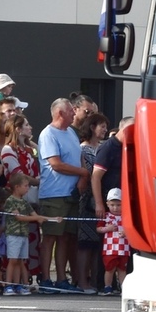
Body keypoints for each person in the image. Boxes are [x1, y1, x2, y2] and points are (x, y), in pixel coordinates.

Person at [37, 98, 90, 294]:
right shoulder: (48, 134)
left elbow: (80, 156)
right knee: (50, 237)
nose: (74, 114)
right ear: (60, 113)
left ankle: (61, 278)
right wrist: (83, 173)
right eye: (70, 111)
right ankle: (45, 279)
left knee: (66, 237)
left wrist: (83, 174)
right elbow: (56, 164)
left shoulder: (70, 133)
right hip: (54, 194)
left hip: (71, 193)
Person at [1, 115, 43, 286]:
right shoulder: (7, 150)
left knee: (29, 241)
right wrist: (37, 181)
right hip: (17, 200)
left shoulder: (27, 150)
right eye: (26, 125)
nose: (30, 127)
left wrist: (30, 143)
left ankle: (24, 280)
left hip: (29, 201)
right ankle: (9, 281)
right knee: (12, 242)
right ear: (17, 129)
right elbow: (17, 175)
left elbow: (40, 156)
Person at [74, 112, 110, 293]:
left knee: (99, 243)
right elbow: (88, 173)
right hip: (87, 202)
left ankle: (98, 281)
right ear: (91, 127)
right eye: (101, 126)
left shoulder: (104, 147)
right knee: (85, 243)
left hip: (106, 201)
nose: (104, 129)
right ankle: (82, 281)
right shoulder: (83, 149)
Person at [3, 173, 50, 295]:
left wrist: (52, 218)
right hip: (14, 235)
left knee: (20, 261)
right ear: (17, 187)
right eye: (25, 186)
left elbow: (35, 215)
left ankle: (17, 285)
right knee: (13, 260)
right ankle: (8, 285)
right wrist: (36, 218)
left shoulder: (24, 202)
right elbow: (19, 218)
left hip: (23, 235)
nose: (27, 188)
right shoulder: (10, 201)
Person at [92, 117, 133, 222]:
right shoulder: (108, 147)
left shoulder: (128, 147)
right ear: (125, 130)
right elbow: (95, 177)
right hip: (110, 202)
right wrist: (99, 203)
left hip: (123, 201)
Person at [96, 188, 129, 296]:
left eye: (118, 205)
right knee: (109, 269)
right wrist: (107, 229)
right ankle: (108, 287)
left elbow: (132, 230)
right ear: (107, 204)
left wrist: (126, 233)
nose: (115, 208)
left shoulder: (127, 217)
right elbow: (98, 229)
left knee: (122, 270)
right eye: (112, 205)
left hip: (123, 249)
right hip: (109, 249)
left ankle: (124, 289)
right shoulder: (106, 216)